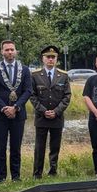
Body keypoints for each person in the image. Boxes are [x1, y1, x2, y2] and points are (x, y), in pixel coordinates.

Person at [0, 40, 33, 183]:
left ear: (16, 51)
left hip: (18, 113)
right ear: (2, 52)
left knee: (16, 147)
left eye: (12, 49)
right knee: (0, 147)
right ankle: (1, 177)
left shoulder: (24, 69)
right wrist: (4, 108)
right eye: (6, 50)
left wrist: (16, 107)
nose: (10, 52)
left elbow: (28, 90)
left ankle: (16, 176)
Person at [29, 45, 71, 179]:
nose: (50, 59)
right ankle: (37, 173)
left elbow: (67, 96)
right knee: (39, 147)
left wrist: (57, 111)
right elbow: (32, 96)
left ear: (57, 59)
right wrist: (43, 111)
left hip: (57, 117)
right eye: (48, 57)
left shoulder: (63, 76)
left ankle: (53, 172)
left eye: (53, 57)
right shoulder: (35, 76)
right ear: (43, 59)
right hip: (41, 117)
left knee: (55, 147)